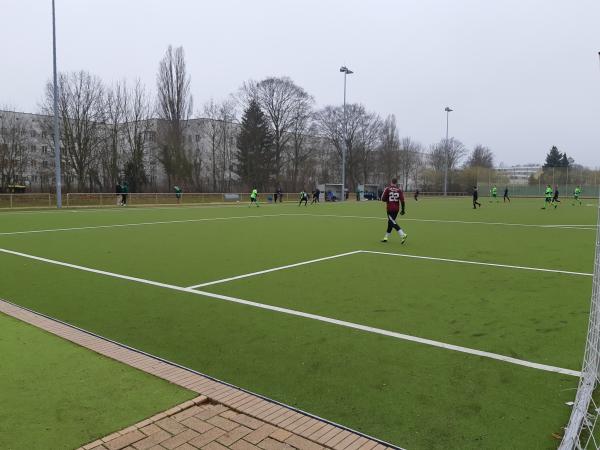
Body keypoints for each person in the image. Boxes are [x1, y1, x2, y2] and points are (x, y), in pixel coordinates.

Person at [380, 178, 407, 244]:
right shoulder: (399, 190)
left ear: (391, 182)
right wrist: (403, 210)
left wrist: (388, 200)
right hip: (396, 209)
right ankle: (386, 237)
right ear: (396, 183)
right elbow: (402, 201)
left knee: (392, 222)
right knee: (390, 222)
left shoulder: (387, 189)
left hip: (390, 209)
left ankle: (402, 234)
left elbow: (382, 199)